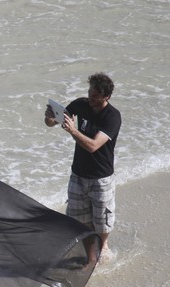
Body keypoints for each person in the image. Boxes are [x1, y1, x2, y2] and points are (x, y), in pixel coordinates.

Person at [44, 72, 122, 264]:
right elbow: (52, 123)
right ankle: (90, 249)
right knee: (79, 216)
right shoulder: (81, 104)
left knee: (102, 221)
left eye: (95, 96)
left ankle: (103, 245)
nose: (90, 98)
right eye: (89, 93)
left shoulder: (112, 117)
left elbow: (93, 146)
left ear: (106, 97)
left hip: (101, 177)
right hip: (78, 173)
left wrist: (72, 130)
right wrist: (50, 118)